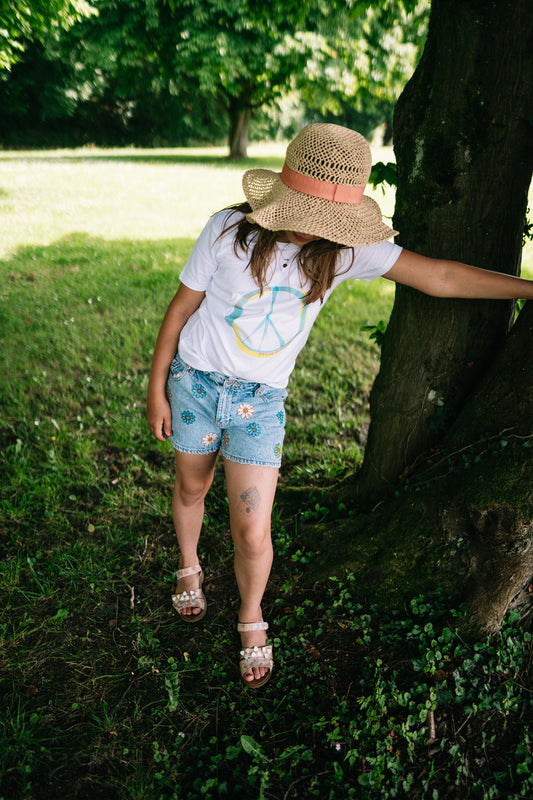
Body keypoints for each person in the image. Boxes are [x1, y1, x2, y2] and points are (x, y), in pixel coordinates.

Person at [146, 123, 533, 689]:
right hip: (195, 384)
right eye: (307, 214)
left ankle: (251, 614)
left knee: (253, 529)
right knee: (190, 487)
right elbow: (179, 311)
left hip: (261, 404)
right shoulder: (228, 232)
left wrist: (528, 289)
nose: (314, 230)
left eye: (328, 221)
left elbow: (441, 277)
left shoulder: (346, 250)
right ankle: (190, 565)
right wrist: (158, 387)